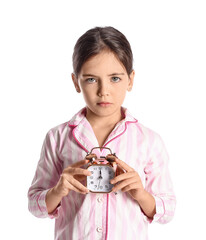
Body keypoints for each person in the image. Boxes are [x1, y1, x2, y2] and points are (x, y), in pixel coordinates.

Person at [28, 26, 176, 240]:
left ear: (131, 79)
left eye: (115, 78)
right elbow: (34, 205)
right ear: (75, 82)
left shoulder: (149, 141)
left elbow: (168, 210)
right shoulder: (57, 138)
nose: (103, 90)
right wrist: (58, 191)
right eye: (91, 79)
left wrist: (141, 194)